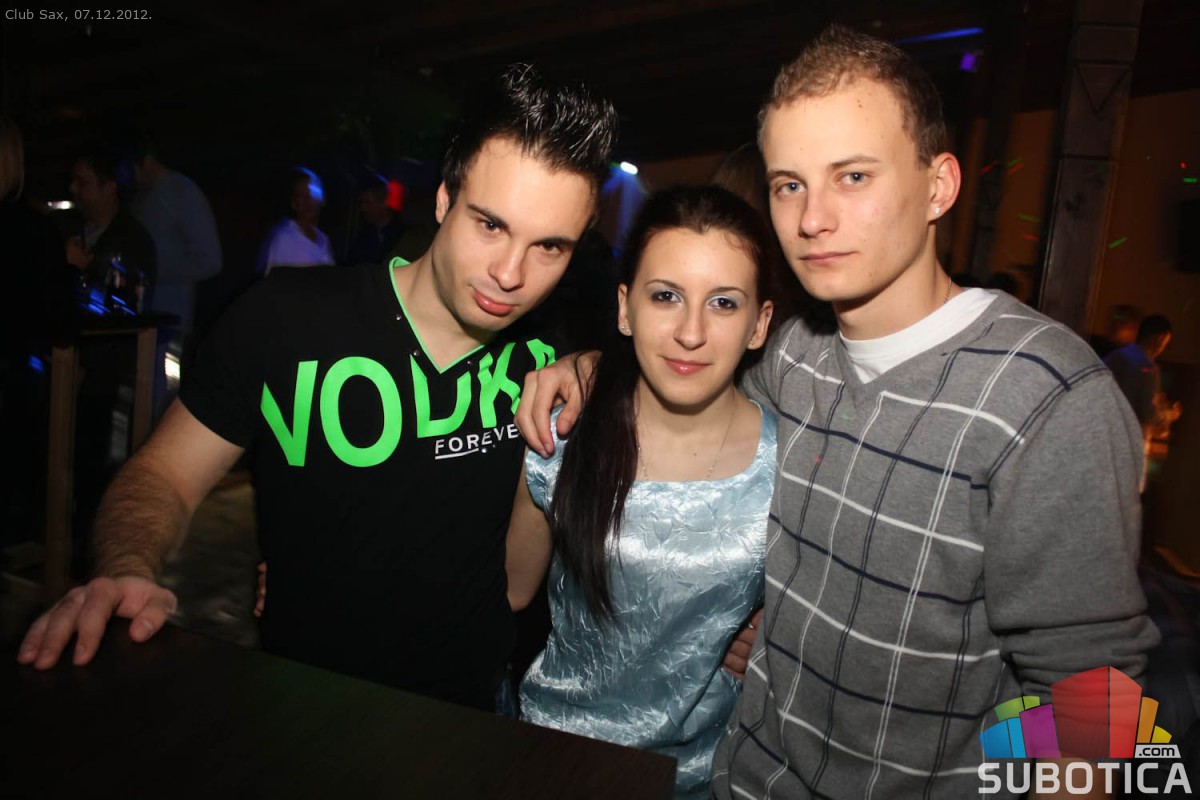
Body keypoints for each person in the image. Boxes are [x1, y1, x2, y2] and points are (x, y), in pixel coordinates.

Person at [516, 25, 1156, 798]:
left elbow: (1096, 701)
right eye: (790, 184)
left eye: (852, 176)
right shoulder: (793, 357)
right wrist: (591, 366)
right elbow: (682, 377)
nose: (812, 218)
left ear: (939, 185)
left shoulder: (1046, 396)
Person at [17, 63, 618, 713]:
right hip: (301, 705)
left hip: (475, 712)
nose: (510, 273)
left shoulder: (550, 356)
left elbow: (519, 585)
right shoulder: (287, 319)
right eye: (491, 225)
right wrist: (124, 569)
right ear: (444, 200)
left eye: (549, 247)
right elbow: (163, 474)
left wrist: (605, 372)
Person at [506, 186, 776, 798]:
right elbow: (511, 590)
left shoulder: (789, 467)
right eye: (666, 296)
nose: (691, 333)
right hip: (553, 759)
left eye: (724, 303)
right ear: (625, 309)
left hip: (707, 778)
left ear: (759, 324)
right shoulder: (565, 433)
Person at [128, 134, 222, 415]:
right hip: (139, 324)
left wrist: (151, 271)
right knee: (138, 407)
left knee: (164, 406)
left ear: (147, 162)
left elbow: (211, 261)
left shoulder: (182, 192)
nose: (128, 177)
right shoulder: (142, 198)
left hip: (170, 329)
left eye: (131, 168)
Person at [1105, 313, 1182, 446]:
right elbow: (1149, 415)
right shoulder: (1148, 367)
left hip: (1104, 431)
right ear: (1160, 339)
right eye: (1165, 344)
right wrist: (1170, 415)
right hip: (1127, 441)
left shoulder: (1115, 356)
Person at [259, 166, 335, 274]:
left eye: (312, 194)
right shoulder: (283, 237)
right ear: (294, 203)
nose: (307, 201)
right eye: (301, 196)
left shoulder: (324, 240)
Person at [343, 171, 405, 266]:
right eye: (361, 203)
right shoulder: (362, 237)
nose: (363, 208)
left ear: (384, 202)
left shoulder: (403, 235)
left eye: (367, 202)